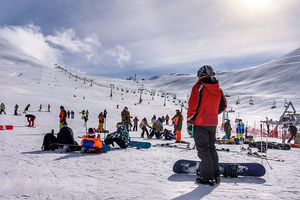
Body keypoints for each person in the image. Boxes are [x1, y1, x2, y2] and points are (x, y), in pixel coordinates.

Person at [187, 65, 227, 186]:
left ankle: (207, 178)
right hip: (212, 123)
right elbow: (223, 105)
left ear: (200, 75)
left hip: (200, 123)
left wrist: (189, 121)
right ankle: (215, 176)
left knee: (203, 150)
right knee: (211, 148)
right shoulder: (218, 89)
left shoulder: (198, 87)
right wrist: (213, 113)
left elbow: (192, 107)